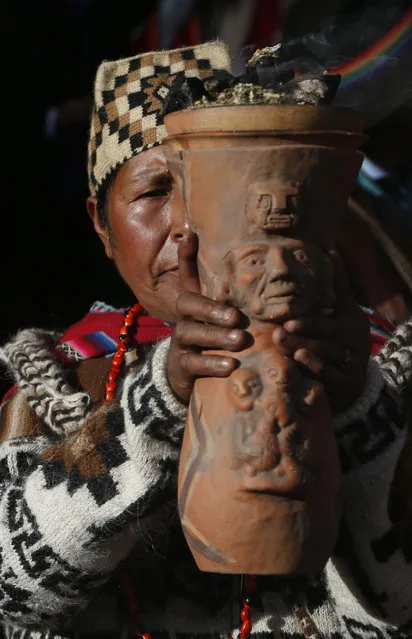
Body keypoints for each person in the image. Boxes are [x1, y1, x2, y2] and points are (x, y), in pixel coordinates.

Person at [0, 40, 411, 639]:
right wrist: (156, 408)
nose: (189, 224)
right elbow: (14, 594)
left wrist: (360, 416)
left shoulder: (372, 361)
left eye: (215, 193)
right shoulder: (66, 377)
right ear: (100, 222)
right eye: (154, 192)